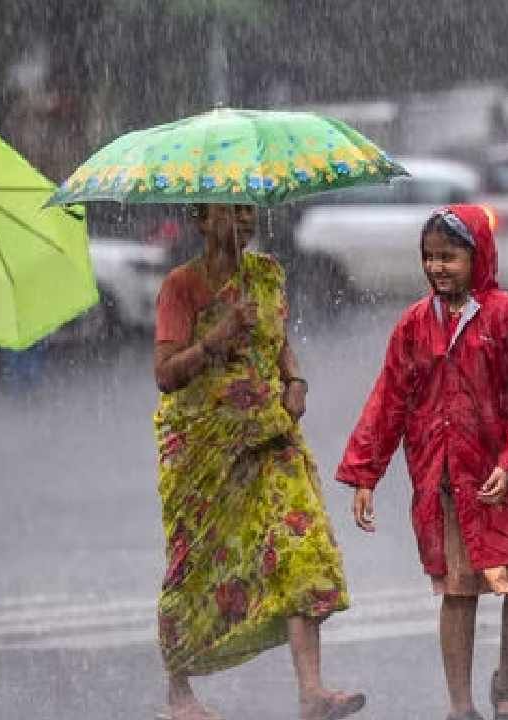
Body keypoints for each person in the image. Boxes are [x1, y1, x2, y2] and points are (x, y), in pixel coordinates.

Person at [337, 205, 508, 720]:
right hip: (448, 483)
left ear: (478, 256)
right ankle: (460, 706)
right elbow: (389, 399)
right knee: (459, 593)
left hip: (507, 483)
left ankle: (506, 680)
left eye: (450, 256)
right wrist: (364, 474)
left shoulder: (507, 317)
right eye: (430, 257)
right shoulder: (415, 325)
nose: (438, 267)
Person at [152, 203, 364, 720]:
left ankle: (312, 691)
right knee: (196, 563)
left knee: (299, 543)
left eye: (249, 211)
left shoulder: (267, 275)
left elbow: (280, 346)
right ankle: (180, 695)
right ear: (202, 220)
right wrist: (215, 339)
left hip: (270, 434)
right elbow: (165, 374)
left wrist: (295, 382)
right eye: (231, 212)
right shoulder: (182, 287)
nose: (244, 221)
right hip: (205, 447)